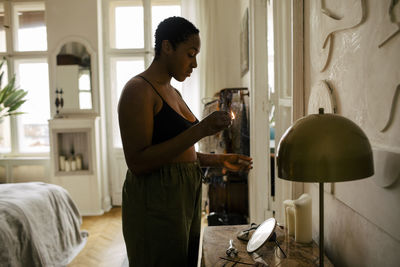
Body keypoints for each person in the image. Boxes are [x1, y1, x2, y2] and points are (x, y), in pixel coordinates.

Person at [118, 16, 252, 267]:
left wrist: (220, 160)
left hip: (182, 196)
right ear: (167, 47)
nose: (195, 64)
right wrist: (201, 130)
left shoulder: (174, 92)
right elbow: (137, 162)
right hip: (156, 199)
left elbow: (181, 154)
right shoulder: (138, 90)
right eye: (190, 54)